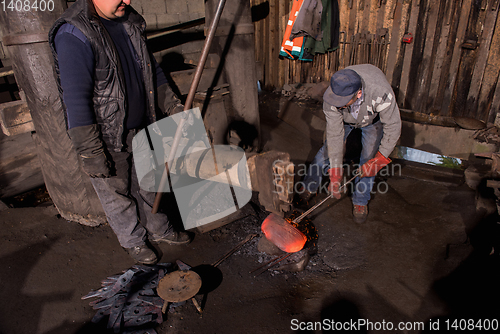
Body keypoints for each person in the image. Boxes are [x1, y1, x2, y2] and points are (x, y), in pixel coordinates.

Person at [48, 0, 192, 264]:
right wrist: (91, 151)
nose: (127, 0)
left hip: (140, 125)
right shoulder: (74, 33)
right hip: (106, 135)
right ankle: (134, 241)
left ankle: (159, 230)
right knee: (116, 193)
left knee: (151, 184)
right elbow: (76, 100)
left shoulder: (129, 22)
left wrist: (173, 106)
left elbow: (152, 71)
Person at [299, 64, 401, 223]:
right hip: (344, 121)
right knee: (326, 152)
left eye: (342, 101)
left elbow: (393, 126)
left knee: (369, 159)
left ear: (359, 93)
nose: (337, 104)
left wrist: (380, 158)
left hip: (371, 120)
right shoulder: (332, 95)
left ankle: (360, 200)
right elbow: (335, 135)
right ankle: (309, 185)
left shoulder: (380, 93)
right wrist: (335, 173)